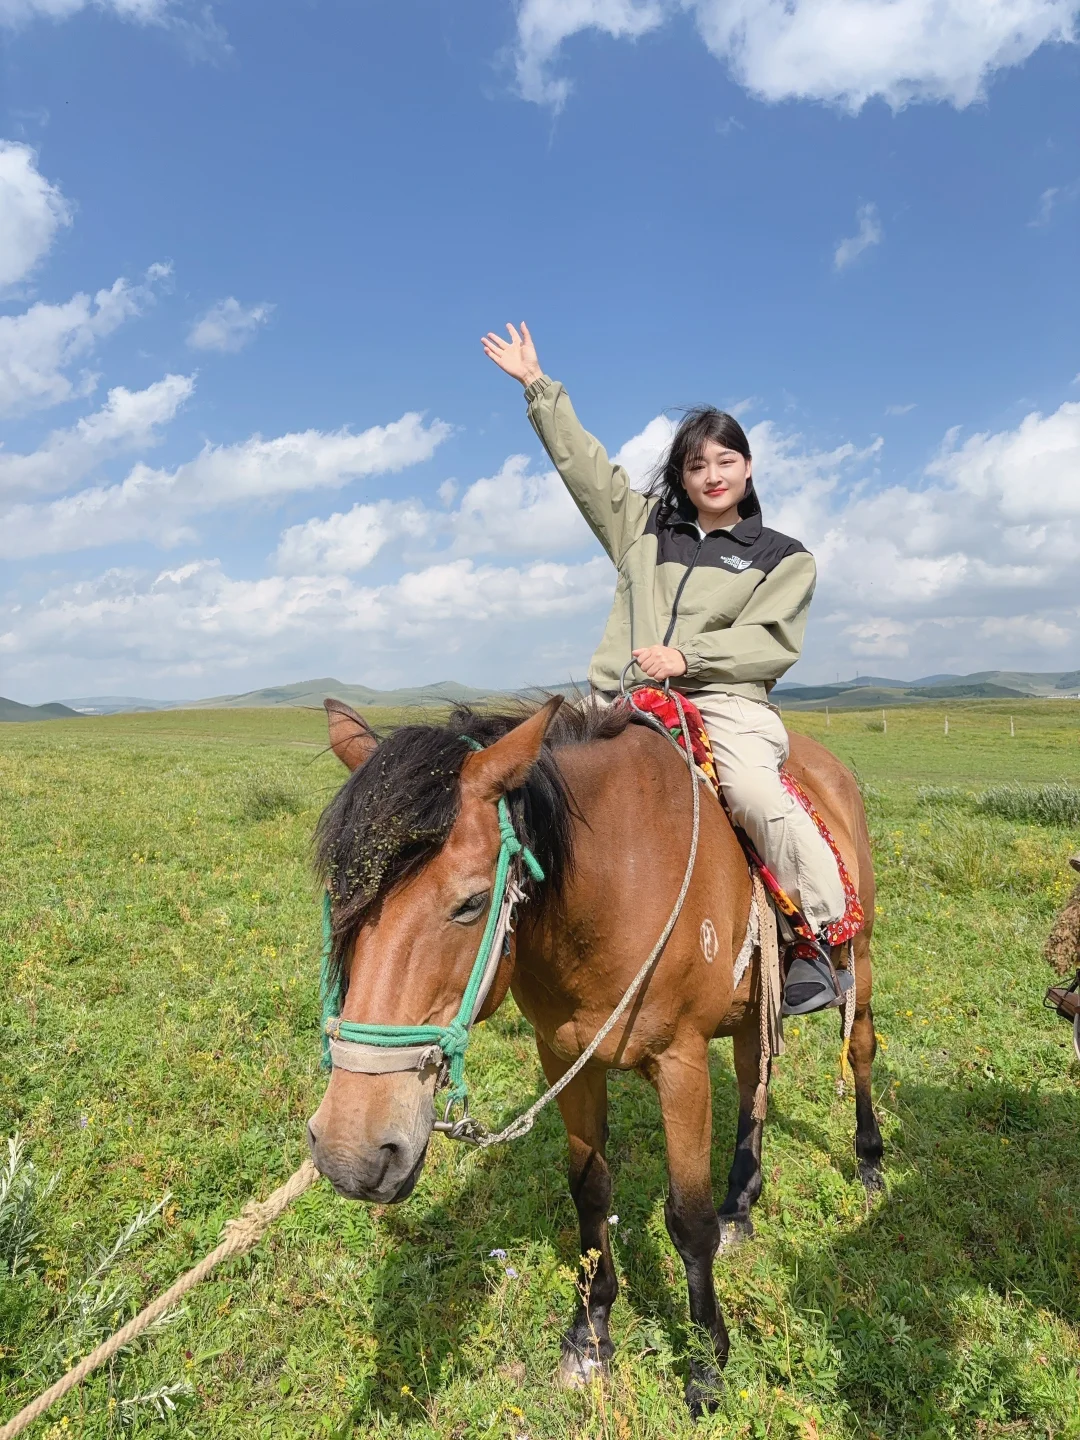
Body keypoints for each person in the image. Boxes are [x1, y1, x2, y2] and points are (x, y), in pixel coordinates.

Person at [482, 321, 849, 1015]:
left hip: (725, 705)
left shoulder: (783, 556)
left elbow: (772, 641)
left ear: (748, 467)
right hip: (619, 700)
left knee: (755, 793)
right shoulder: (643, 530)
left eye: (725, 461)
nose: (712, 476)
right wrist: (537, 386)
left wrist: (689, 658)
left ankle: (821, 939)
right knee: (524, 780)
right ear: (682, 476)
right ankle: (501, 931)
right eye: (696, 465)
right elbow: (587, 470)